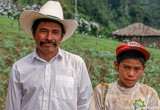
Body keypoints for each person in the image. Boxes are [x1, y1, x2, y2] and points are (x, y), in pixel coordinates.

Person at [6, 1, 93, 110]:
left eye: (55, 32)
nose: (49, 37)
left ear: (62, 36)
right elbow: (13, 107)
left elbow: (86, 104)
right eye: (43, 31)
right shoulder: (19, 68)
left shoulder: (76, 64)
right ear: (33, 33)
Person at [89, 41, 160, 110]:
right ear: (116, 65)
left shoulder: (149, 94)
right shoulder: (102, 91)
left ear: (143, 69)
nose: (131, 74)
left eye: (137, 69)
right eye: (126, 67)